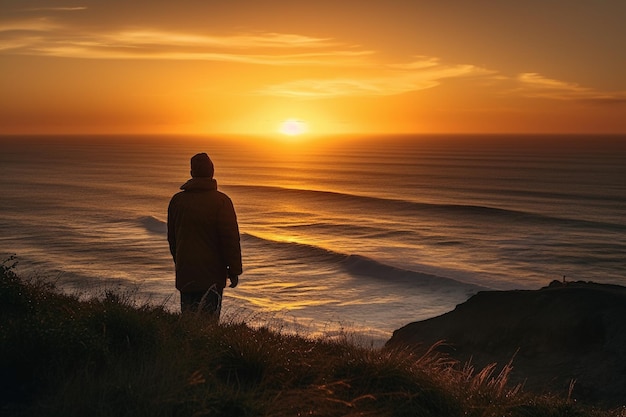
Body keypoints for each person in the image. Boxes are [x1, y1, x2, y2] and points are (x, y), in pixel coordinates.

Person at [167, 152, 242, 317]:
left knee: (188, 323)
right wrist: (234, 271)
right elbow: (230, 241)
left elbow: (172, 240)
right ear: (212, 172)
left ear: (192, 173)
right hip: (212, 276)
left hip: (186, 273)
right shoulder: (221, 201)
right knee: (208, 326)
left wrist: (181, 262)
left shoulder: (177, 201)